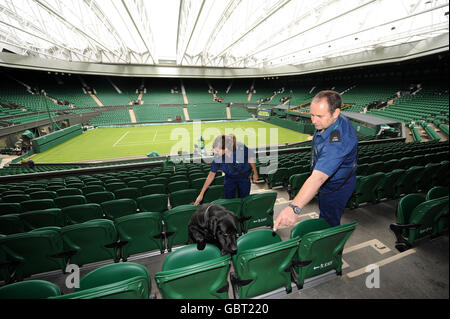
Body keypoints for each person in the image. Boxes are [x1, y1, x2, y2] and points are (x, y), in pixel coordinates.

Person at [273, 90, 358, 230]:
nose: (313, 121)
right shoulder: (330, 121)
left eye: (319, 116)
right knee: (324, 215)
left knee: (329, 222)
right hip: (329, 182)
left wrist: (294, 208)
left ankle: (331, 248)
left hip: (336, 187)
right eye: (312, 115)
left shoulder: (338, 142)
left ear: (336, 113)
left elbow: (318, 178)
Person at [194, 134, 259, 205]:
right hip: (229, 178)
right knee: (229, 201)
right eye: (214, 150)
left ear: (226, 148)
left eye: (217, 150)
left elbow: (250, 158)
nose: (215, 152)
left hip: (243, 176)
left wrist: (255, 173)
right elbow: (211, 175)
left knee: (244, 200)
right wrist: (201, 194)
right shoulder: (217, 157)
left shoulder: (240, 147)